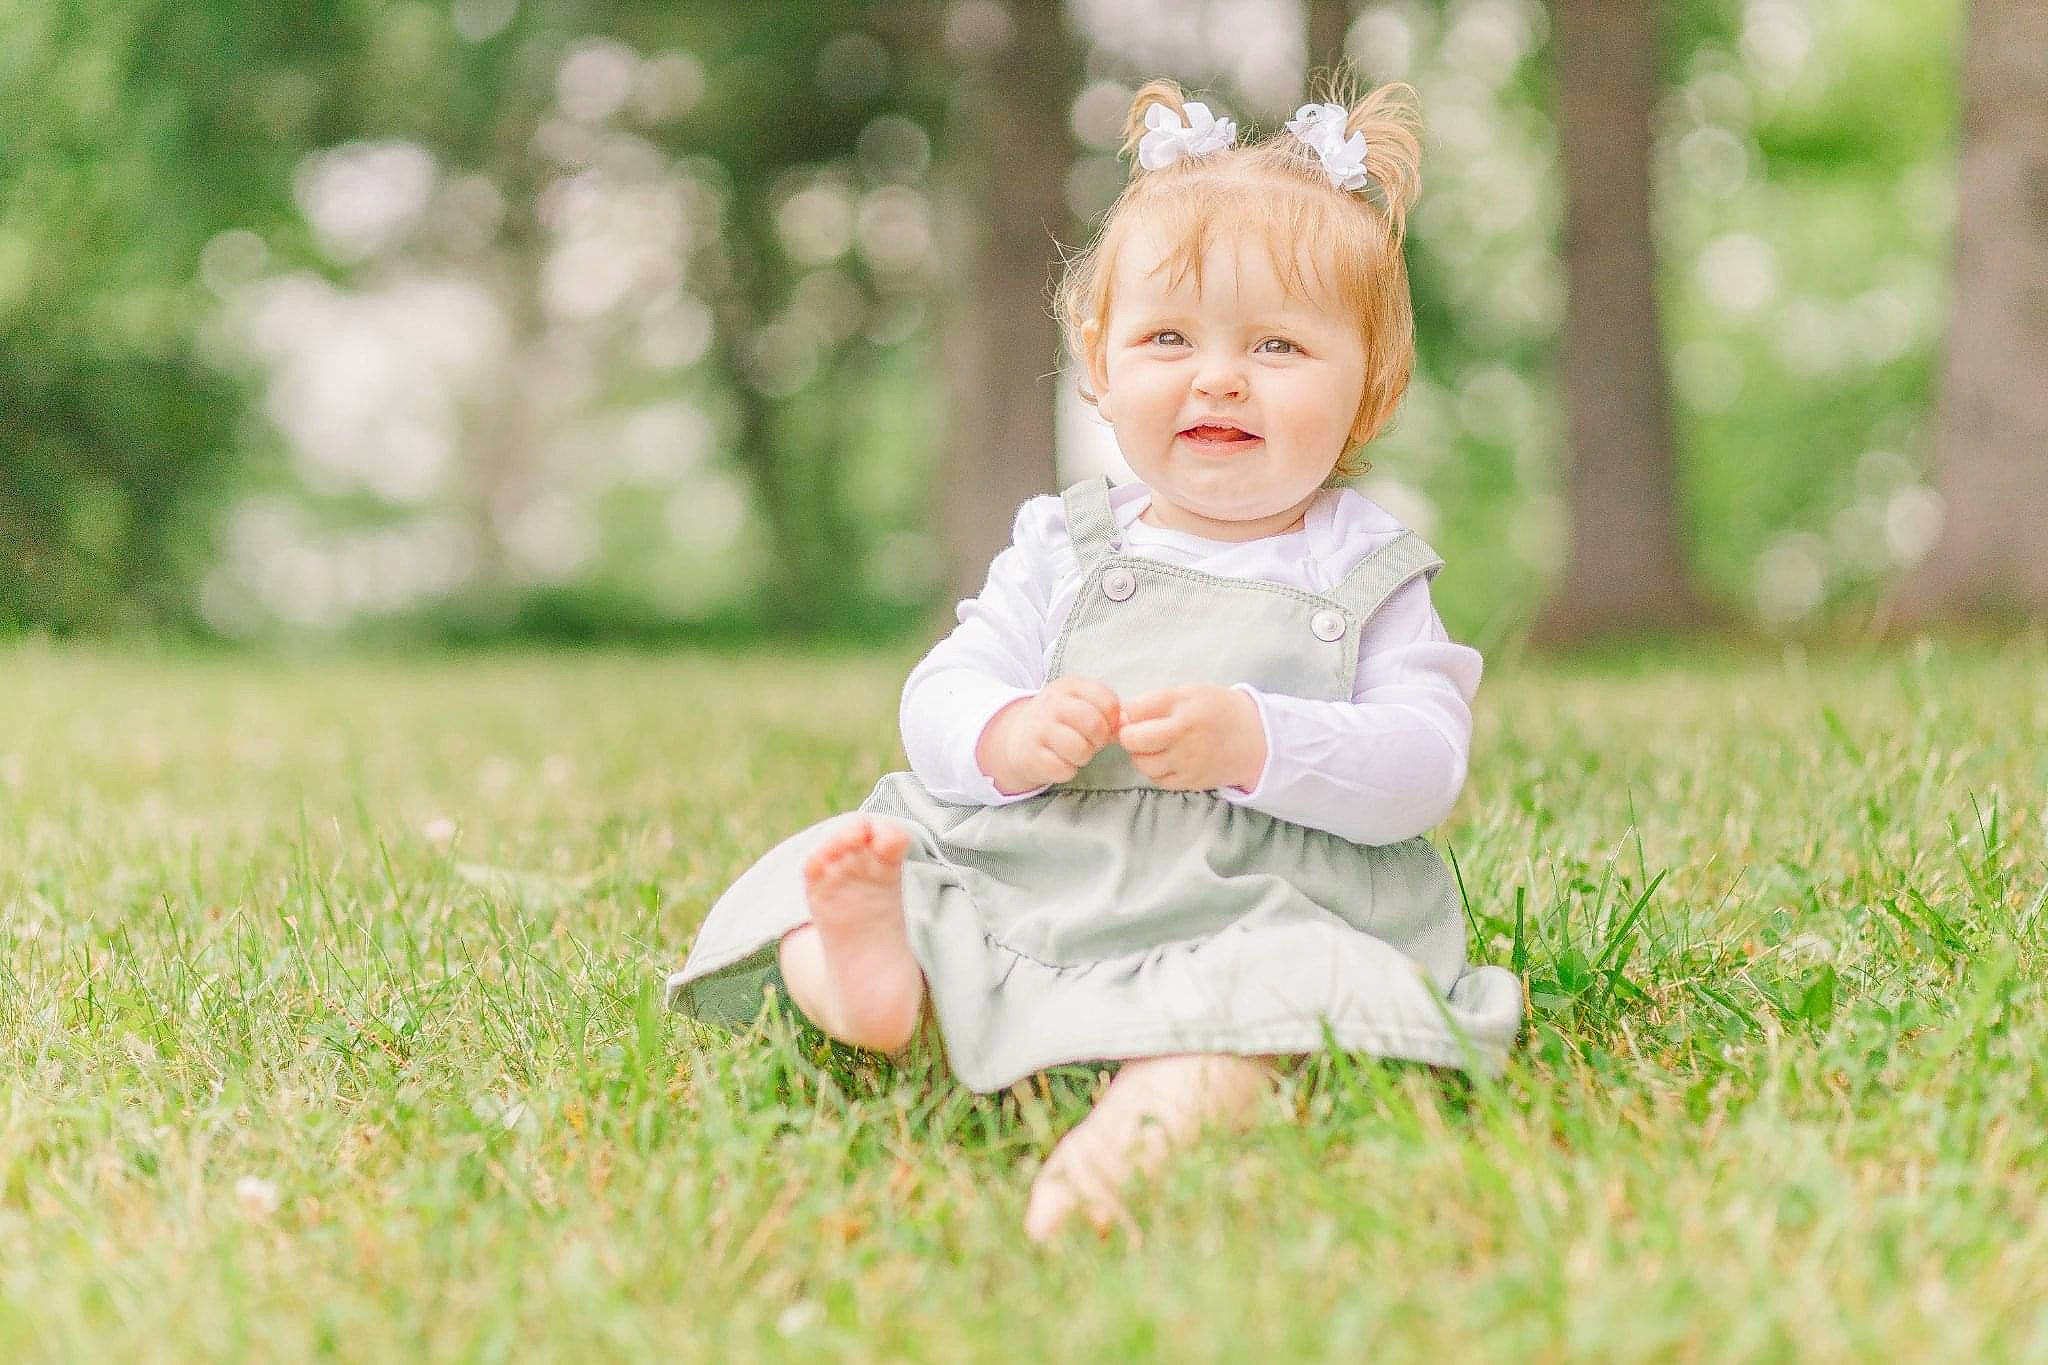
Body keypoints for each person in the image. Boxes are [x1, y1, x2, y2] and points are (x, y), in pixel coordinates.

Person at [667, 77, 1522, 1240]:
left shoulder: (1368, 570)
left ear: (1367, 383)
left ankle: (1145, 1117)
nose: (1216, 375)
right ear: (1099, 362)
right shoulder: (1065, 543)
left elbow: (1423, 764)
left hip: (1252, 903)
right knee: (843, 874)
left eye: (1275, 344)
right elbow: (942, 690)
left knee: (1264, 1006)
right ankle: (879, 986)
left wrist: (1260, 740)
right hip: (1042, 872)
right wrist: (1003, 735)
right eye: (1169, 338)